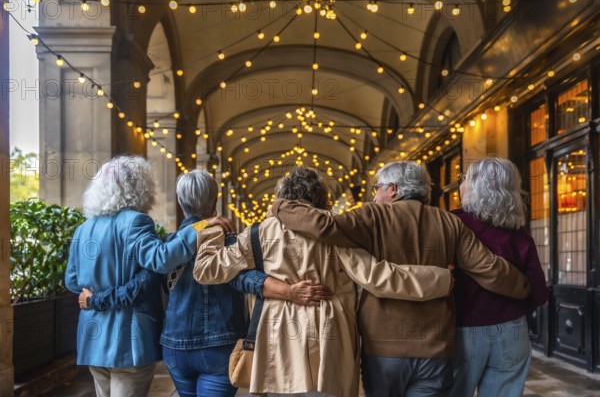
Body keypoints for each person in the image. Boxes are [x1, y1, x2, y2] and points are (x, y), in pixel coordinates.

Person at [270, 161, 532, 397]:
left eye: (377, 188)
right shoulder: (449, 222)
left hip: (384, 349)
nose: (375, 195)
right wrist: (524, 288)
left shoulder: (372, 216)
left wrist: (282, 205)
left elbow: (322, 226)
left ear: (393, 189)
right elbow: (487, 268)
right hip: (436, 348)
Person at [194, 166, 456, 397]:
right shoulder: (335, 231)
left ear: (283, 196)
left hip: (278, 335)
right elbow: (378, 277)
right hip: (331, 336)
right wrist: (441, 278)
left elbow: (206, 271)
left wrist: (212, 230)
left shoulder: (258, 232)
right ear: (320, 196)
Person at [78, 169, 332, 397]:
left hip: (175, 347)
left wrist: (94, 299)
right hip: (220, 347)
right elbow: (244, 278)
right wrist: (287, 291)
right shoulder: (229, 239)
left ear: (180, 202)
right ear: (214, 201)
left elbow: (141, 285)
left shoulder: (166, 244)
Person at [65, 156, 233, 397]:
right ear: (140, 188)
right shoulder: (135, 221)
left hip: (93, 338)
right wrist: (200, 227)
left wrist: (94, 295)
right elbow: (161, 259)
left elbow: (72, 281)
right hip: (128, 340)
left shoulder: (84, 229)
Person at [449, 158, 548, 397]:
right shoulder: (519, 234)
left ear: (476, 187)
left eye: (465, 178)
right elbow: (538, 292)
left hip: (464, 329)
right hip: (512, 329)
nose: (460, 183)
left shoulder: (454, 224)